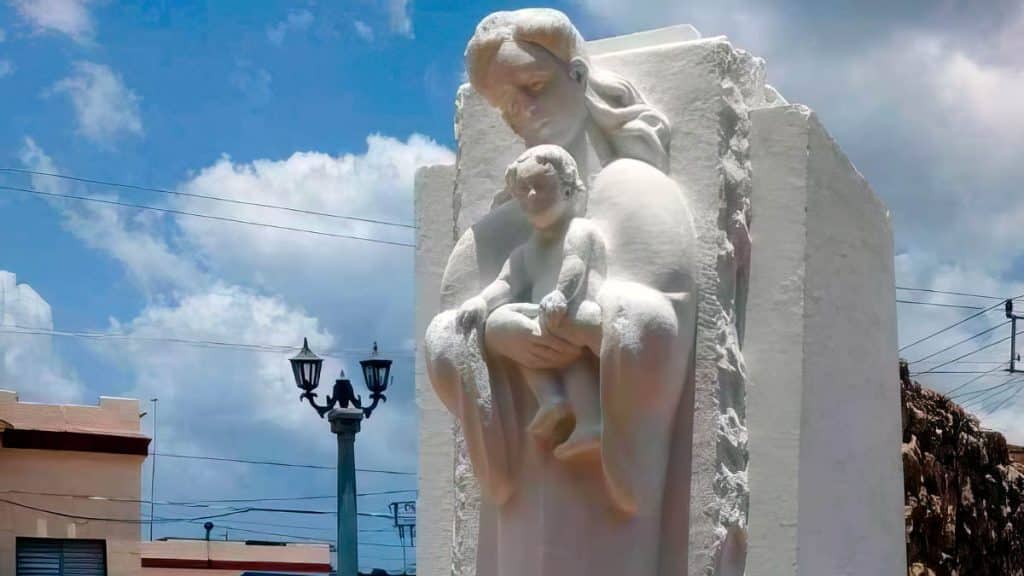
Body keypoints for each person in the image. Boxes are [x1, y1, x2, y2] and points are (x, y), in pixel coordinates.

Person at [424, 8, 699, 576]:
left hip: (607, 499)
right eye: (508, 106)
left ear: (577, 74)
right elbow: (449, 330)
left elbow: (664, 323)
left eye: (534, 87)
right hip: (525, 480)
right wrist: (495, 337)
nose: (524, 112)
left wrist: (590, 327)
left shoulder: (634, 192)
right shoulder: (501, 227)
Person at [456, 144, 606, 460]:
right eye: (523, 190)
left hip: (573, 313)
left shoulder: (578, 230)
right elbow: (506, 282)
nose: (532, 197)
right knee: (522, 342)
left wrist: (561, 295)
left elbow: (575, 264)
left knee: (571, 359)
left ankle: (589, 419)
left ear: (567, 190)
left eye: (541, 187)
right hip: (547, 320)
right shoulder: (528, 249)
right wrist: (482, 302)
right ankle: (554, 401)